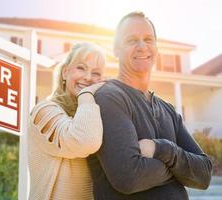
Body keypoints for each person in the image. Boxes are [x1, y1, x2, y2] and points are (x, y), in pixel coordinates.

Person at [87, 11, 213, 200]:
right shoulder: (110, 98)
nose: (142, 46)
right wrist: (181, 172)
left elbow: (204, 174)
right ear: (115, 50)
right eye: (131, 40)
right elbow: (128, 176)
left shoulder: (168, 110)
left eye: (148, 39)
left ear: (156, 47)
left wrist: (161, 149)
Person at [27, 42, 106, 200]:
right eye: (81, 68)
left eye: (96, 73)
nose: (88, 77)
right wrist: (87, 94)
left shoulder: (94, 116)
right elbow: (84, 141)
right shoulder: (43, 112)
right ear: (65, 72)